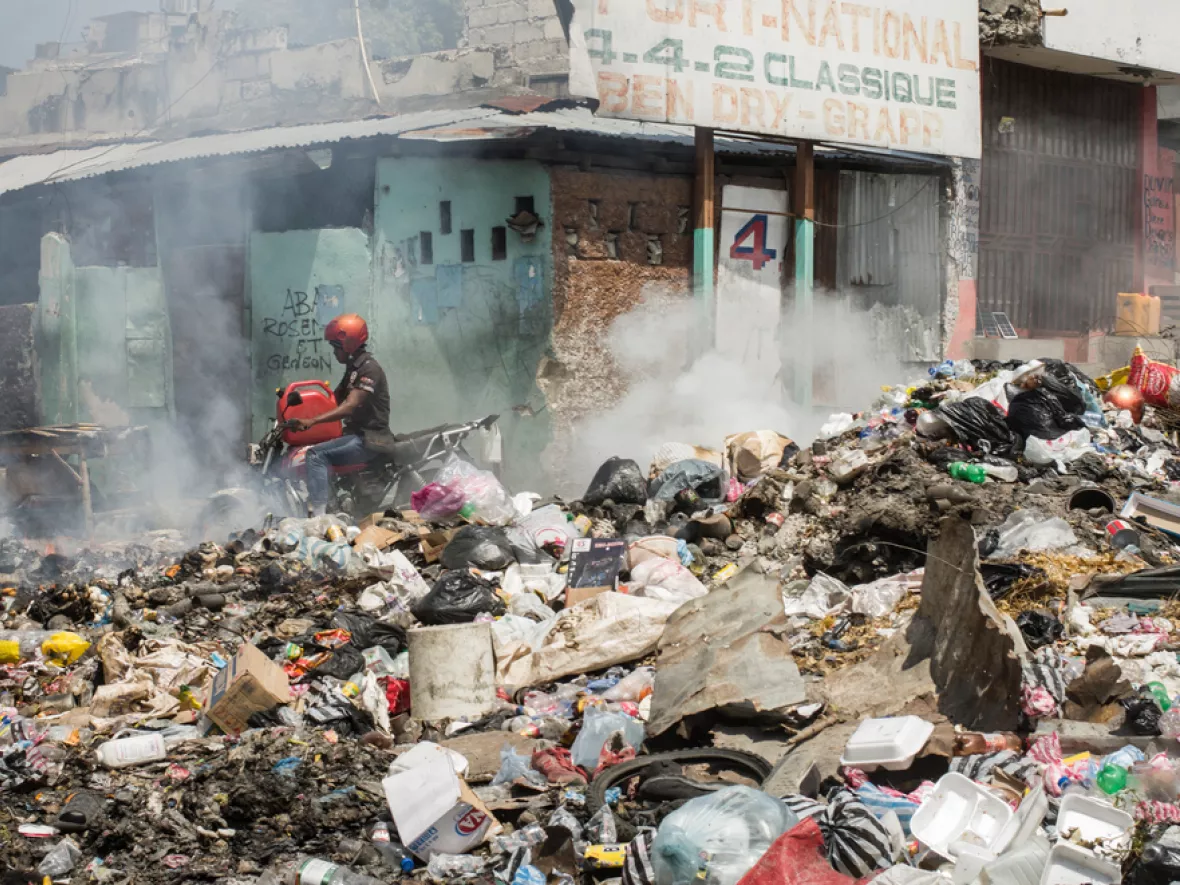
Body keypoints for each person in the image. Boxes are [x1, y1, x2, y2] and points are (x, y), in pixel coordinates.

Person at [289, 314, 393, 516]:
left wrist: (311, 421)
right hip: (355, 435)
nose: (334, 352)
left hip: (370, 439)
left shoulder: (369, 369)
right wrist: (298, 408)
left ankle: (318, 515)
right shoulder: (353, 369)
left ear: (349, 344)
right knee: (316, 446)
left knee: (316, 455)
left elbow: (349, 405)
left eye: (336, 346)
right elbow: (333, 400)